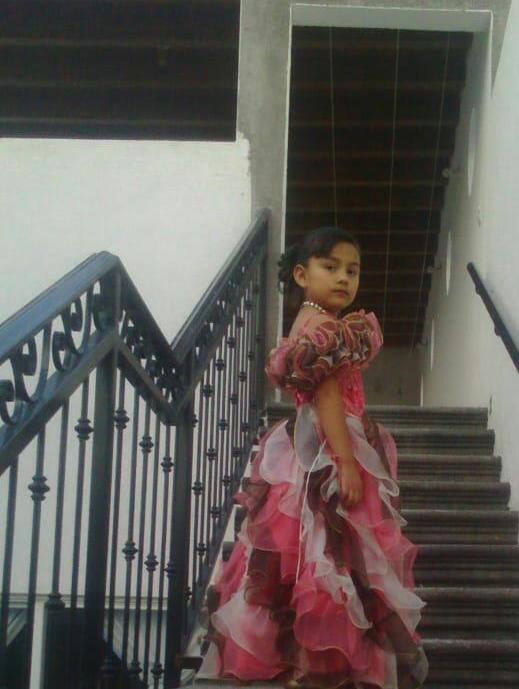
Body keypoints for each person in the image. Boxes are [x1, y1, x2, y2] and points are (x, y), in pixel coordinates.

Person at [195, 226, 429, 689]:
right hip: (329, 447)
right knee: (330, 554)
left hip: (310, 445)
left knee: (311, 553)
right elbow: (327, 398)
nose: (344, 277)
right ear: (302, 275)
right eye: (331, 267)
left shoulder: (312, 322)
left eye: (352, 271)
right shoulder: (322, 330)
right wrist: (346, 462)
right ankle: (321, 660)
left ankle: (299, 662)